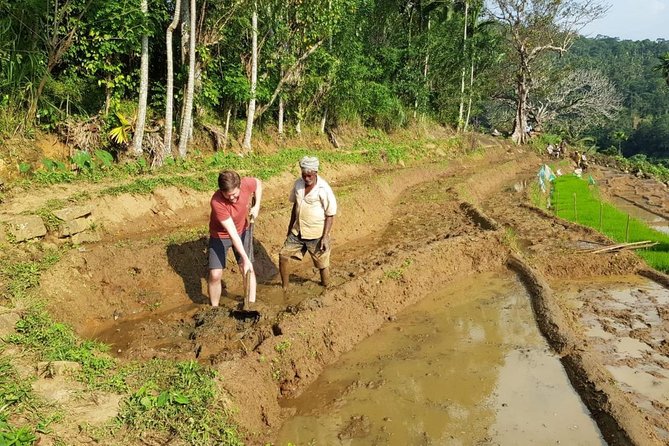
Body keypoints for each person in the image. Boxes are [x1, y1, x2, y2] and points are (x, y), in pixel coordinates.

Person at [279, 156, 337, 290]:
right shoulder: (298, 184)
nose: (306, 178)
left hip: (316, 233)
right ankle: (285, 287)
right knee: (283, 256)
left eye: (309, 175)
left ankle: (326, 287)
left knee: (322, 263)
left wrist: (325, 236)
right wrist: (290, 227)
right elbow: (295, 206)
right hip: (298, 231)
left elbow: (330, 214)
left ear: (316, 173)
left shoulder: (324, 189)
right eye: (304, 175)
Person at [208, 170, 262, 307]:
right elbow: (232, 234)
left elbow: (258, 183)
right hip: (220, 235)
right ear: (221, 191)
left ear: (239, 186)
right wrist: (246, 258)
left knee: (247, 269)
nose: (232, 198)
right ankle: (214, 308)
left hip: (243, 230)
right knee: (215, 274)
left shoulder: (245, 184)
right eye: (228, 196)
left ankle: (250, 305)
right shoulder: (216, 202)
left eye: (234, 194)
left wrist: (256, 206)